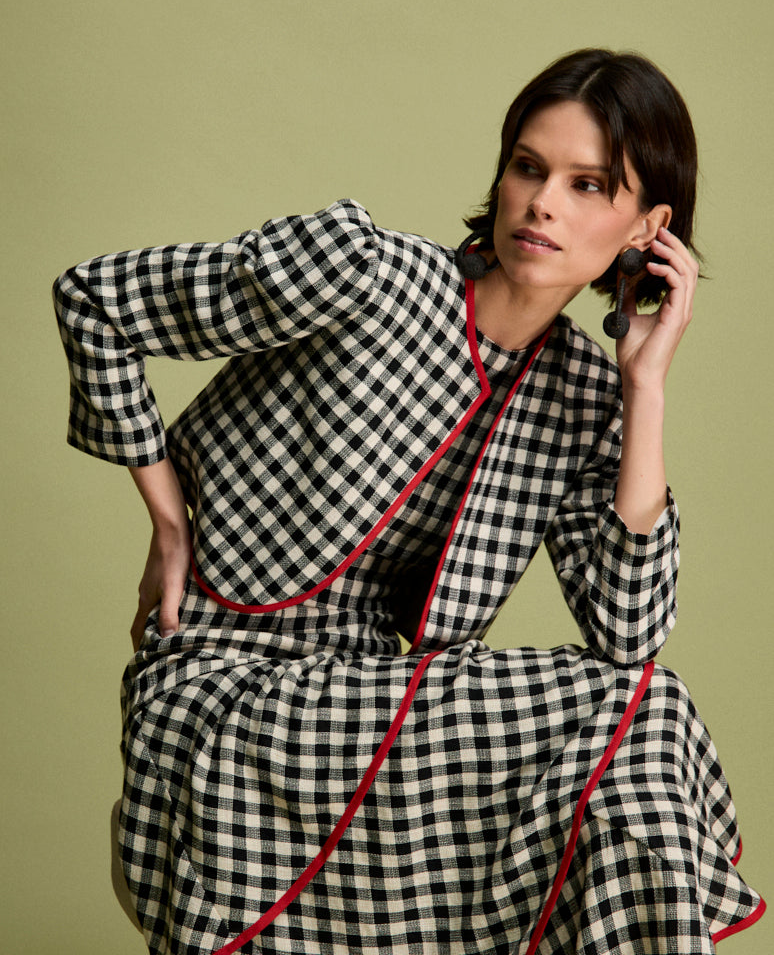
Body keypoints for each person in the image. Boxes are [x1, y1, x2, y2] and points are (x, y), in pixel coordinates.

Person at [53, 49, 764, 954]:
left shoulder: (586, 398)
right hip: (218, 699)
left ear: (648, 227)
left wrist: (644, 388)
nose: (543, 203)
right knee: (643, 713)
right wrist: (167, 518)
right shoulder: (364, 274)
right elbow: (96, 301)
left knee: (639, 716)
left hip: (368, 723)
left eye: (588, 185)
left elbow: (629, 634)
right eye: (529, 167)